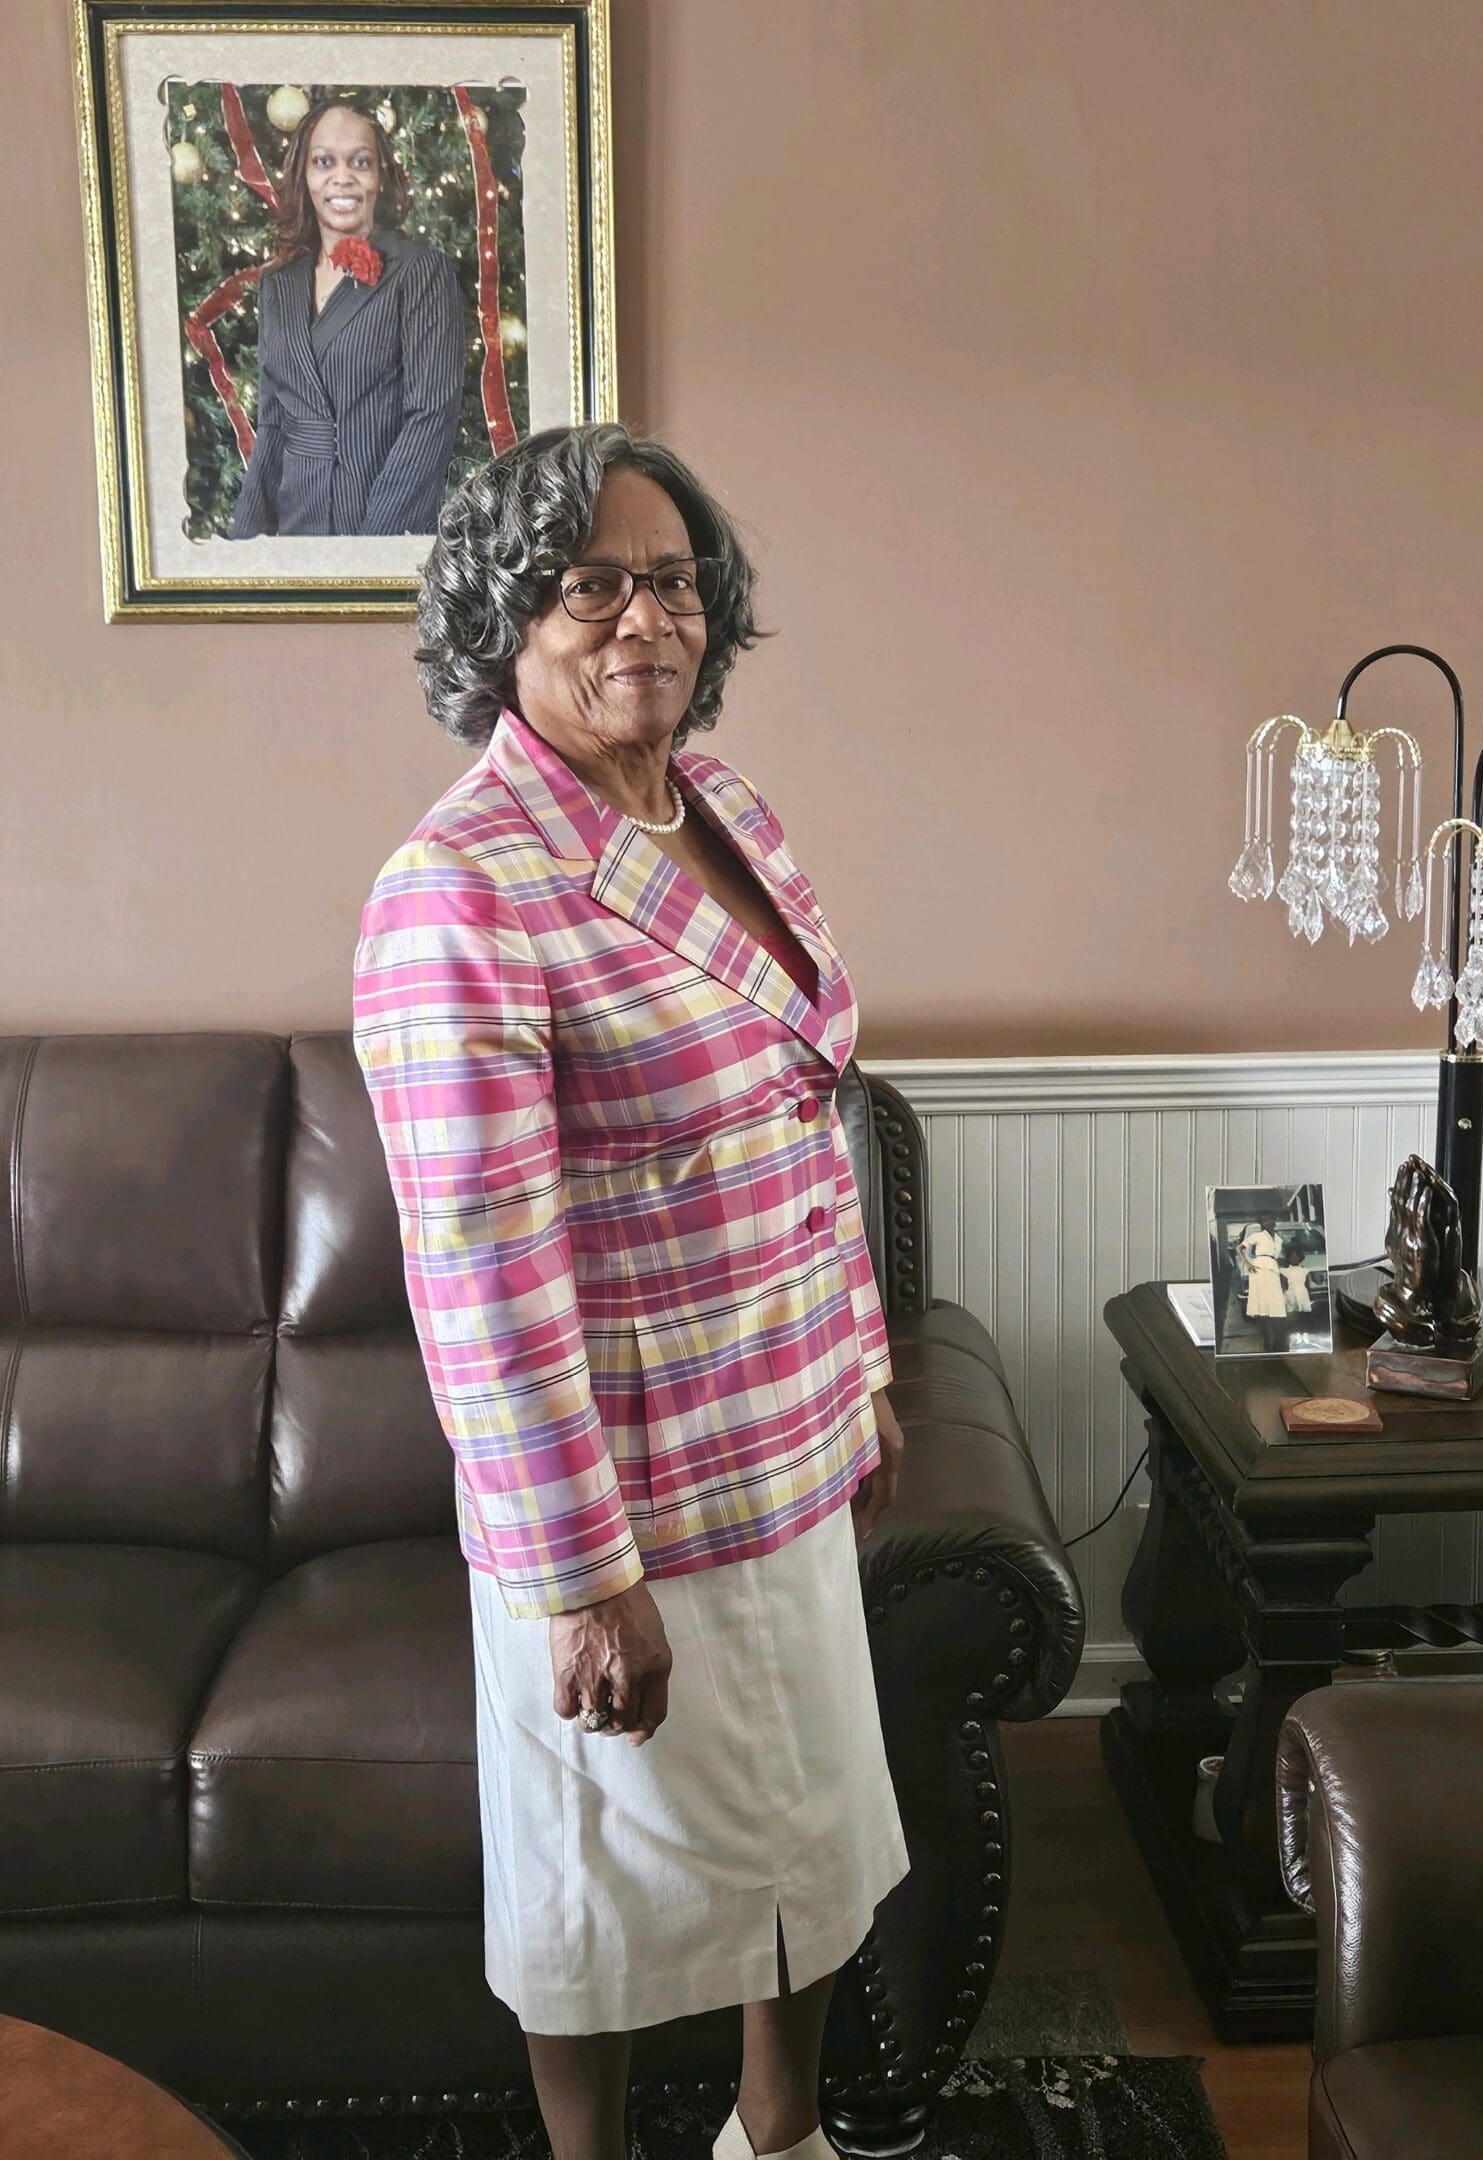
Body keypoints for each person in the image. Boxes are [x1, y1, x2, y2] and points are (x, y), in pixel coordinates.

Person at [352, 423, 909, 2160]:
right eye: (588, 582)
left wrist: (861, 1366)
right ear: (502, 618)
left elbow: (806, 1111)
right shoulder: (457, 893)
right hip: (628, 1498)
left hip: (786, 1443)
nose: (639, 617)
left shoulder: (724, 806)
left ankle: (780, 2135)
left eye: (668, 578)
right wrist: (586, 1578)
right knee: (593, 1893)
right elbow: (479, 1269)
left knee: (812, 1842)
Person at [228, 98, 465, 538]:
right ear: (305, 176)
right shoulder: (277, 286)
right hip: (294, 540)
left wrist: (371, 548)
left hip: (380, 533)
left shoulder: (421, 273)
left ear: (380, 178)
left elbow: (431, 417)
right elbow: (273, 425)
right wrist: (241, 548)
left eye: (360, 162)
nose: (343, 177)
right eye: (324, 162)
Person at [1239, 1209, 1290, 1350]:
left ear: (1275, 1220)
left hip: (1273, 1269)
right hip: (1260, 1269)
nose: (1269, 1222)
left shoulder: (1279, 1239)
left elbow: (1278, 1257)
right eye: (1265, 1220)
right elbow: (1239, 1248)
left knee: (1276, 1305)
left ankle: (1278, 1343)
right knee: (1263, 1306)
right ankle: (1267, 1342)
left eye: (1271, 1219)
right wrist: (1248, 1264)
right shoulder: (1258, 1236)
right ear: (1261, 1223)